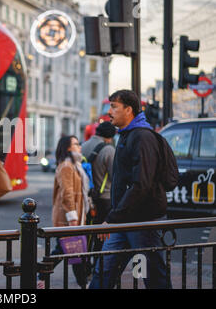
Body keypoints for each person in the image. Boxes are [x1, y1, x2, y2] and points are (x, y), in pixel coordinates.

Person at [89, 89, 172, 289]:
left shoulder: (142, 138)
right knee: (103, 271)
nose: (109, 112)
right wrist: (115, 216)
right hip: (124, 222)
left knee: (153, 277)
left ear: (129, 110)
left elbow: (140, 184)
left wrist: (113, 217)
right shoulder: (127, 136)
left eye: (114, 107)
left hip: (144, 222)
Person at [38, 135, 91, 289]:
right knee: (66, 250)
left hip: (75, 217)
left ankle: (82, 282)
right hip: (68, 218)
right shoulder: (66, 166)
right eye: (76, 144)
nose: (79, 146)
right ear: (68, 148)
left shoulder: (75, 164)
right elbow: (67, 193)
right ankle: (40, 276)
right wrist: (72, 217)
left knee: (74, 251)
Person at [81, 121, 116, 225]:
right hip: (104, 197)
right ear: (110, 137)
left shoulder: (82, 146)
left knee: (87, 230)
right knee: (102, 234)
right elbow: (114, 175)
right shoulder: (109, 150)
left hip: (86, 196)